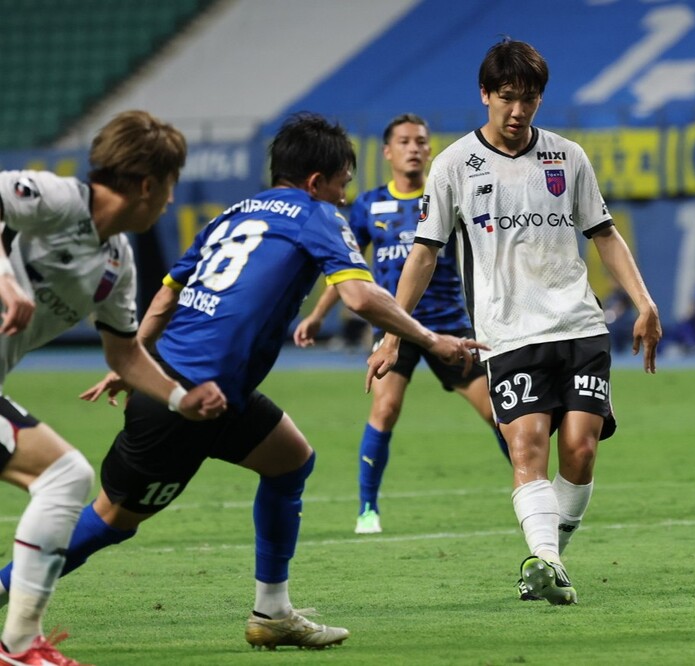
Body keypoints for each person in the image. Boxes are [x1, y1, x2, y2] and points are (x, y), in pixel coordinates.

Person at [0, 113, 485, 651]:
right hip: (186, 398)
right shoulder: (317, 215)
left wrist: (132, 360)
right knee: (110, 519)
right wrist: (431, 339)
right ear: (315, 182)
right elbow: (359, 296)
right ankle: (7, 598)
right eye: (342, 183)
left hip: (209, 388)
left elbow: (167, 294)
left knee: (290, 460)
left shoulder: (233, 213)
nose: (345, 195)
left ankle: (272, 612)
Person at [366, 39, 661, 605]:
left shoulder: (567, 157)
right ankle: (548, 563)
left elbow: (604, 234)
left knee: (581, 451)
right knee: (526, 449)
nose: (518, 111)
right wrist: (391, 333)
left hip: (578, 326)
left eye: (529, 99)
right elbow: (423, 255)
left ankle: (549, 562)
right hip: (507, 333)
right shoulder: (454, 165)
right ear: (485, 94)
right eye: (507, 98)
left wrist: (644, 302)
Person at [0, 110, 227, 666]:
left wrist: (180, 399)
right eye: (170, 185)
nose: (170, 201)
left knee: (63, 475)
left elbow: (123, 354)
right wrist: (6, 278)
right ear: (148, 185)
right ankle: (19, 645)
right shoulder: (58, 198)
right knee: (64, 475)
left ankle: (19, 645)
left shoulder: (117, 261)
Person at [294, 113, 509, 536]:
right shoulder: (368, 205)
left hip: (449, 326)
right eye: (405, 141)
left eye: (421, 141)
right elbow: (346, 268)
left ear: (430, 151)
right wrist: (318, 315)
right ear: (388, 152)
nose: (414, 148)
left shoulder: (447, 196)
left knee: (497, 412)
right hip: (394, 328)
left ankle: (534, 491)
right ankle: (367, 510)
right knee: (385, 408)